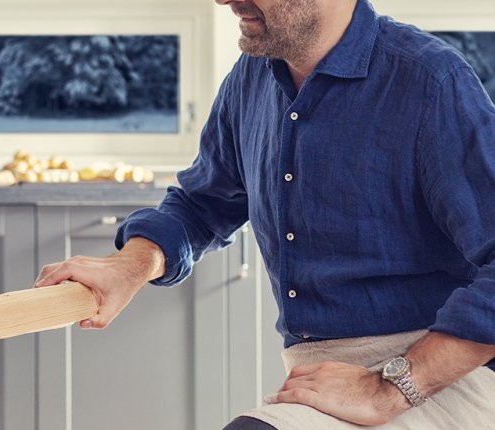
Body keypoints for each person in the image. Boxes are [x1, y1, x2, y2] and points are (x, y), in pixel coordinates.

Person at [34, 0, 495, 428]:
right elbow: (203, 204)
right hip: (324, 377)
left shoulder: (431, 82)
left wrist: (387, 388)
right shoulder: (250, 79)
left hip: (441, 374)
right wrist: (128, 267)